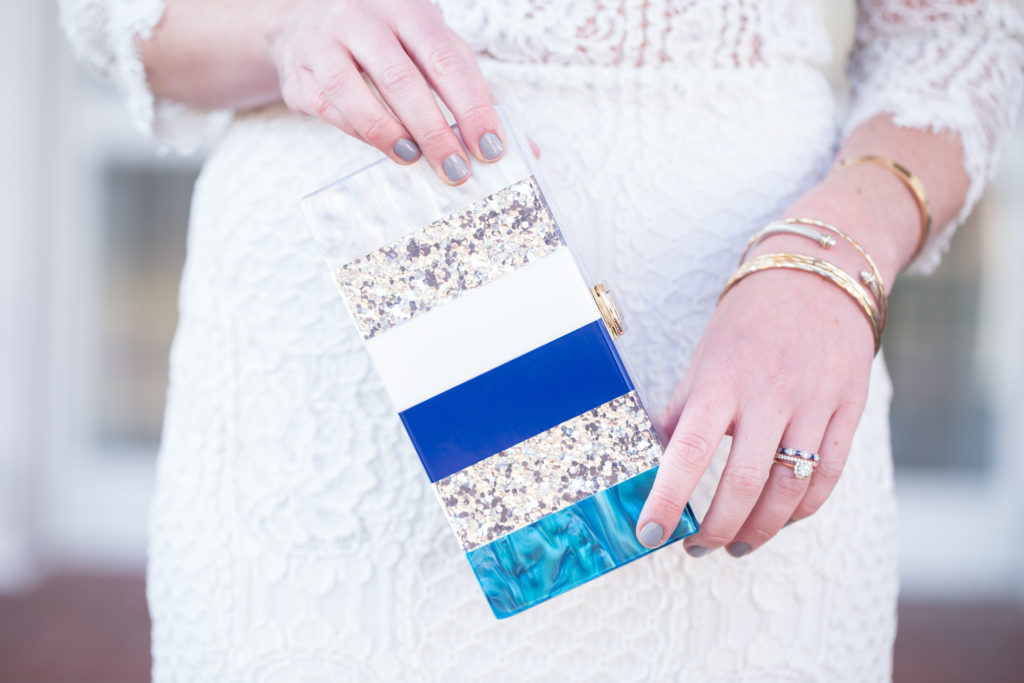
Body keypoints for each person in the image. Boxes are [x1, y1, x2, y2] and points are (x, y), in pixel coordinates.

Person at [60, 0, 1024, 680]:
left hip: (752, 373)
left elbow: (963, 34)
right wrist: (281, 25)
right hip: (323, 419)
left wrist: (834, 257)